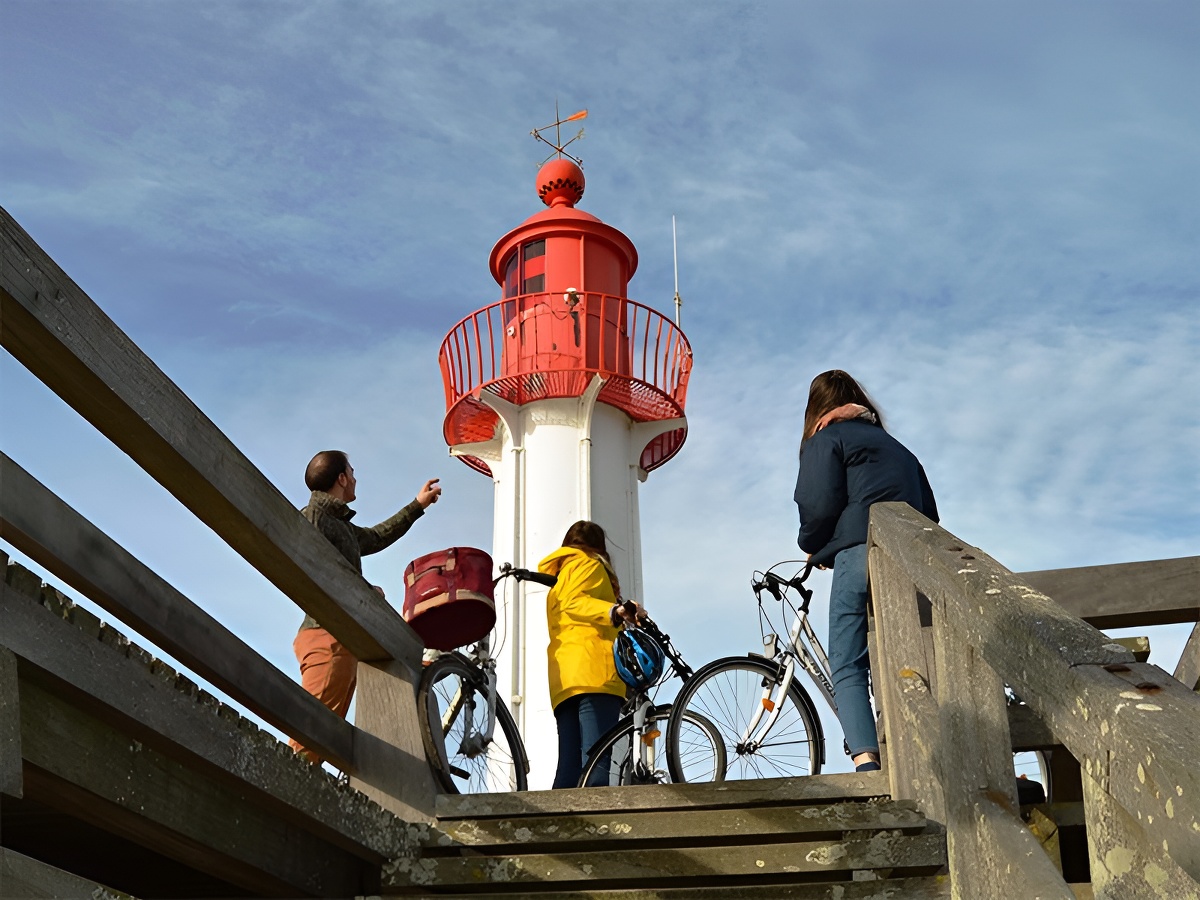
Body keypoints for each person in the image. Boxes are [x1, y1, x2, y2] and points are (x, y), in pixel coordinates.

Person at [794, 370, 938, 773]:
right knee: (905, 655)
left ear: (817, 409)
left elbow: (819, 505)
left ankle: (866, 763)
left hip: (859, 557)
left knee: (847, 660)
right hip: (911, 564)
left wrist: (812, 546)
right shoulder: (901, 450)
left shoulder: (826, 438)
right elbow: (930, 514)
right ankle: (919, 756)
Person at [290, 450, 441, 761]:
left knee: (326, 731)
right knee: (311, 733)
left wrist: (417, 506)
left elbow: (375, 537)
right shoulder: (316, 516)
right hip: (326, 635)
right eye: (352, 472)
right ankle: (275, 797)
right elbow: (316, 567)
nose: (356, 478)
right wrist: (363, 589)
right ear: (342, 478)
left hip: (341, 638)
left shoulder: (337, 522)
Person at [538, 521, 640, 788]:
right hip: (595, 671)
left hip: (565, 676)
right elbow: (578, 603)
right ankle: (597, 827)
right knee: (596, 762)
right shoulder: (591, 564)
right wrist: (613, 612)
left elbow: (571, 605)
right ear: (600, 547)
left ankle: (555, 825)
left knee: (568, 768)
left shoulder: (559, 577)